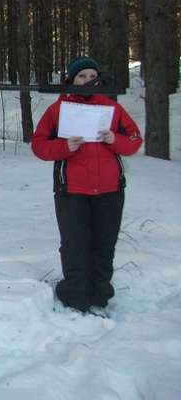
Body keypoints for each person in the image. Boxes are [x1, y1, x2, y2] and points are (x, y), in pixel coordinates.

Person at [32, 56, 142, 313]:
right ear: (71, 80)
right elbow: (38, 145)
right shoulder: (58, 110)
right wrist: (64, 147)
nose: (88, 81)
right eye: (82, 77)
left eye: (92, 76)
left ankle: (99, 296)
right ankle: (74, 297)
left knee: (104, 244)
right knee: (75, 244)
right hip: (71, 191)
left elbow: (134, 140)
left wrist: (115, 139)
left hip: (110, 190)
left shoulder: (112, 108)